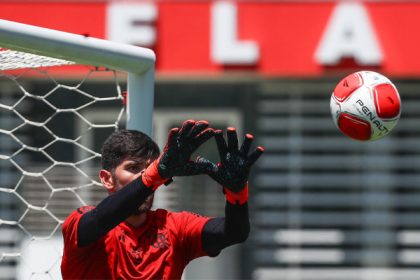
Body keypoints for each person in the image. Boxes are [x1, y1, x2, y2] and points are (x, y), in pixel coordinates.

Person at [61, 119, 264, 279]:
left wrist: (237, 192)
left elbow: (234, 232)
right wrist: (154, 174)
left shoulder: (173, 226)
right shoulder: (81, 223)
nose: (144, 176)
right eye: (133, 168)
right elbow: (100, 219)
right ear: (107, 179)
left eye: (148, 168)